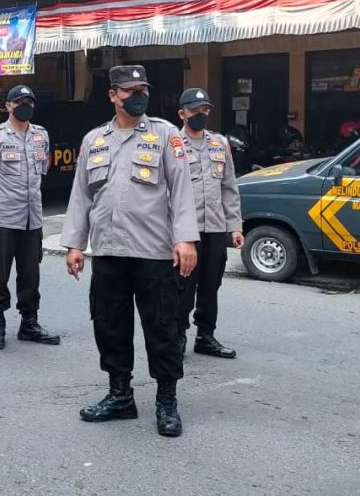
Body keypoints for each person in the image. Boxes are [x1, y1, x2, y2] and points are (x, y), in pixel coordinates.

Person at [62, 64, 200, 438]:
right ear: (112, 95)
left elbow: (182, 189)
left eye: (143, 89)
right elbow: (81, 195)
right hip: (107, 250)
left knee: (162, 327)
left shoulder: (166, 134)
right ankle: (120, 395)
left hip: (154, 252)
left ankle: (166, 400)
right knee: (109, 325)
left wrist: (184, 238)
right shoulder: (95, 140)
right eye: (129, 90)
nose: (138, 95)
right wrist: (76, 243)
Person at [0, 85, 60, 350]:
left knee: (30, 274)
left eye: (29, 102)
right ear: (9, 106)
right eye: (20, 102)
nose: (26, 106)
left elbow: (42, 170)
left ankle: (29, 323)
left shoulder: (41, 135)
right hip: (2, 218)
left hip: (32, 218)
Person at [175, 87, 244, 359]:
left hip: (215, 228)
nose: (201, 115)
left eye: (205, 110)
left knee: (210, 285)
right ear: (182, 114)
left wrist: (235, 226)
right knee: (182, 286)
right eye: (195, 110)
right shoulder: (172, 144)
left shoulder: (219, 143)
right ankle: (177, 334)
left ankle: (205, 336)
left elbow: (229, 187)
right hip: (185, 231)